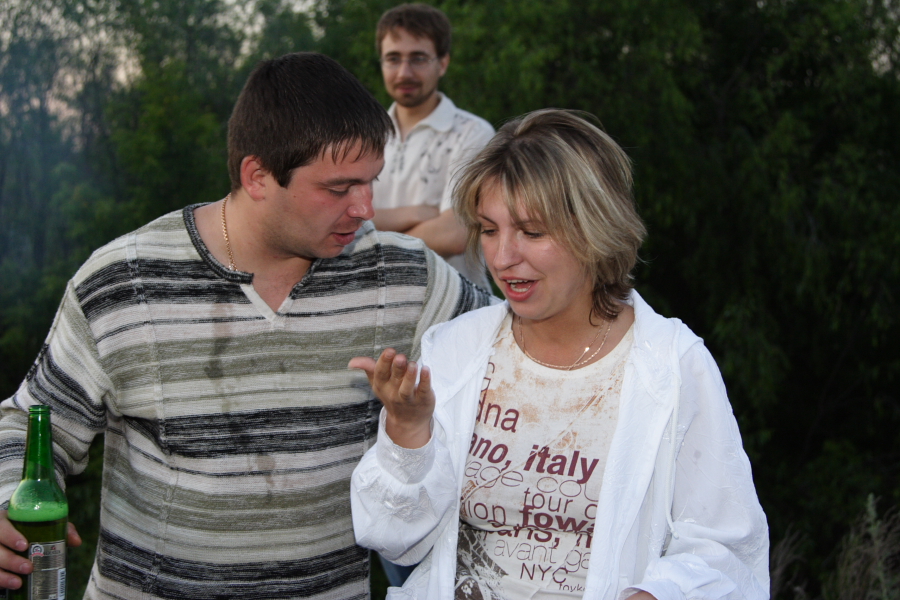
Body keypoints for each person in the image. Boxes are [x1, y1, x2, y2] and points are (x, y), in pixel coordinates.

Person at [0, 52, 494, 599]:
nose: (365, 208)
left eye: (370, 182)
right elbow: (31, 423)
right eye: (339, 189)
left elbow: (520, 350)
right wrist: (3, 500)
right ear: (257, 176)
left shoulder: (405, 276)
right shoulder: (123, 282)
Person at [349, 109, 770, 599]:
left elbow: (727, 549)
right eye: (489, 230)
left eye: (531, 232)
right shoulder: (455, 350)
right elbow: (393, 539)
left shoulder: (673, 366)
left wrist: (659, 594)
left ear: (595, 228)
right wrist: (406, 434)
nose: (503, 257)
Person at [372, 3, 495, 290]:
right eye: (393, 59)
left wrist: (365, 244)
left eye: (418, 58)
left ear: (443, 63)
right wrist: (412, 213)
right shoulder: (363, 137)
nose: (404, 72)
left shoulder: (472, 133)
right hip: (379, 306)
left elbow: (455, 233)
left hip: (460, 305)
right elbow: (336, 220)